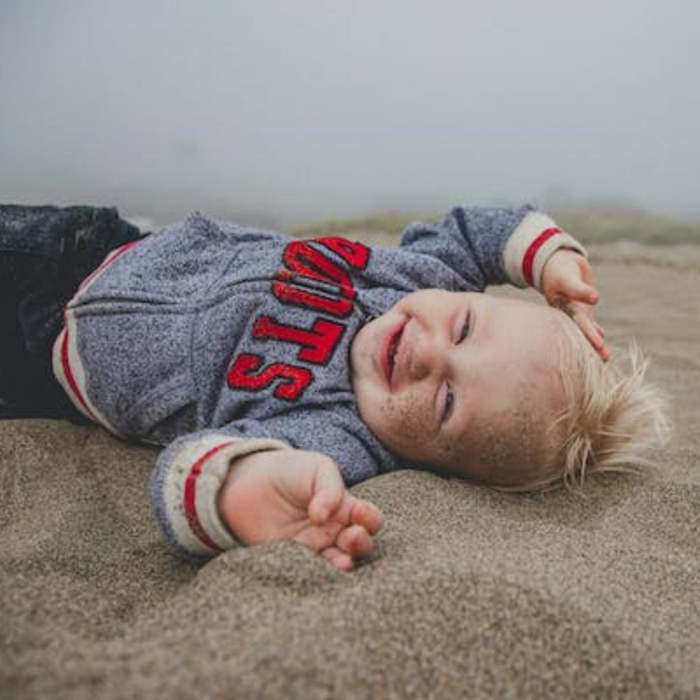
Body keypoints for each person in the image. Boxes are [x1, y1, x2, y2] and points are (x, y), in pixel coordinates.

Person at [0, 203, 668, 572]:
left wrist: (245, 487)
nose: (431, 354)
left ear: (432, 466)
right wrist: (549, 256)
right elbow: (478, 231)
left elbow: (192, 466)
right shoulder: (418, 276)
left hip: (43, 357)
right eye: (463, 326)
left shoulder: (340, 433)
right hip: (101, 242)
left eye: (448, 403)